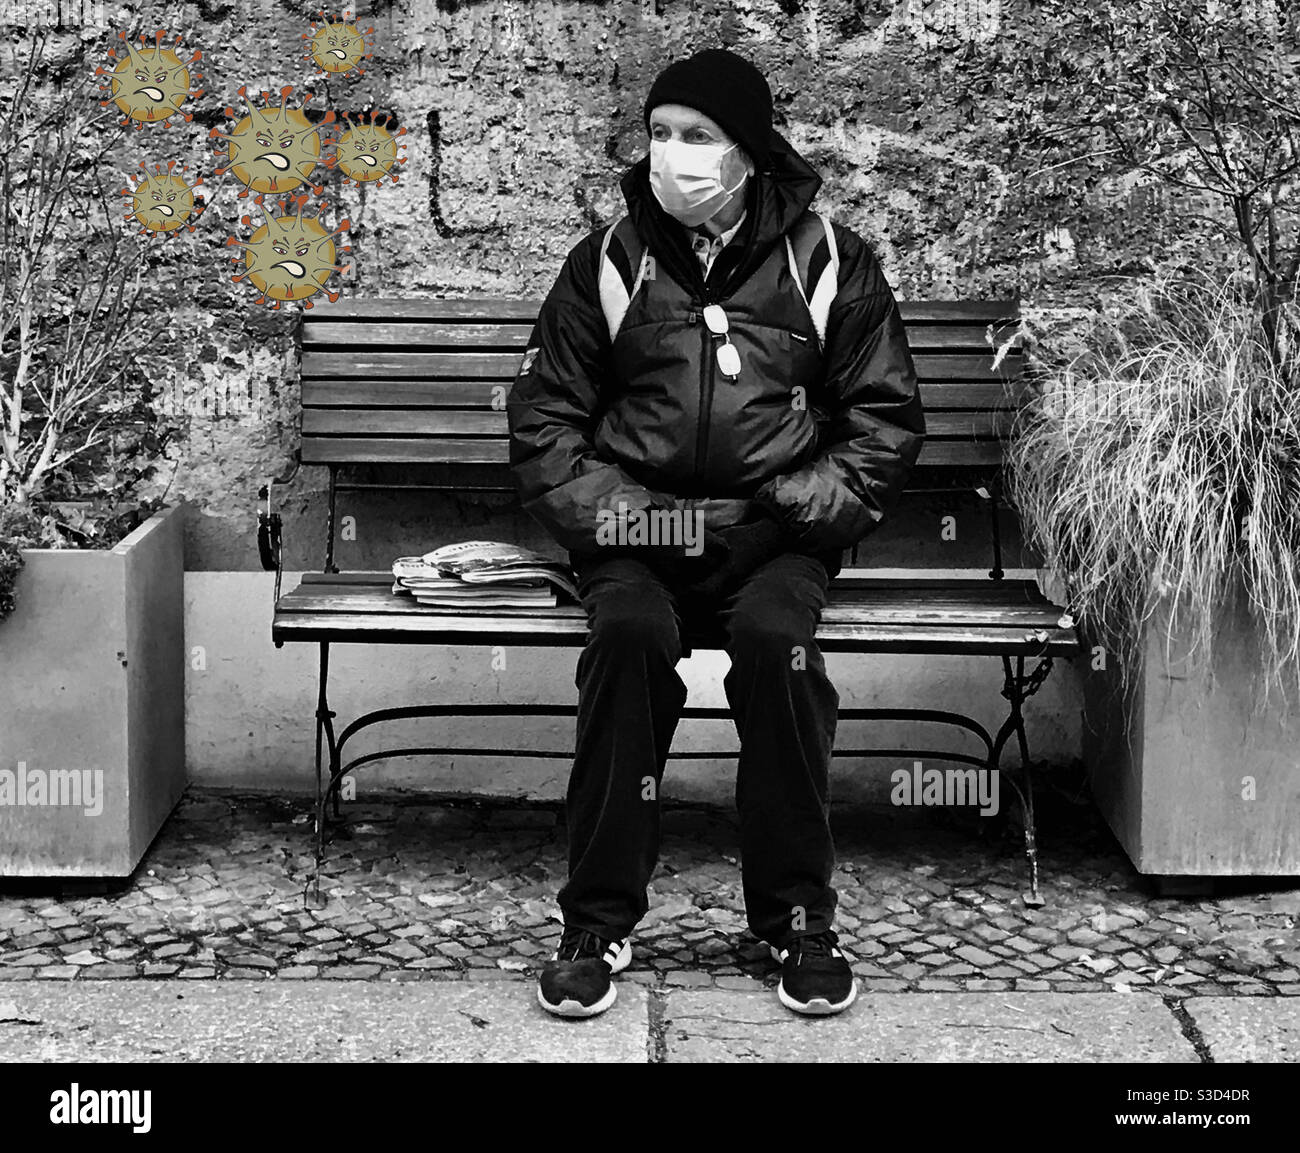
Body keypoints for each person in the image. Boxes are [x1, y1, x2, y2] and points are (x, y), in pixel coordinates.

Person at [507, 46, 924, 1018]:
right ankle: (596, 922)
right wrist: (642, 517)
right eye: (658, 135)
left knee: (778, 650)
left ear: (746, 152)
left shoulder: (826, 261)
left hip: (771, 543)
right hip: (638, 539)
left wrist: (779, 509)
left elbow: (882, 425)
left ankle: (792, 918)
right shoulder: (610, 261)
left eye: (695, 137)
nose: (671, 156)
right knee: (627, 640)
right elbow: (544, 424)